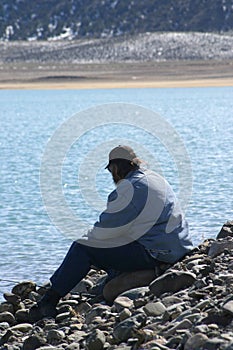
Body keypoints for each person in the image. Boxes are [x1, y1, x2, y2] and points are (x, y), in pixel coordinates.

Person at [29, 145, 193, 321]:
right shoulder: (155, 178)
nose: (111, 176)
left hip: (157, 252)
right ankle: (130, 274)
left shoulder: (129, 189)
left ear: (115, 167)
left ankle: (49, 301)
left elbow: (103, 232)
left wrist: (87, 238)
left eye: (110, 170)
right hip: (179, 247)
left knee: (83, 247)